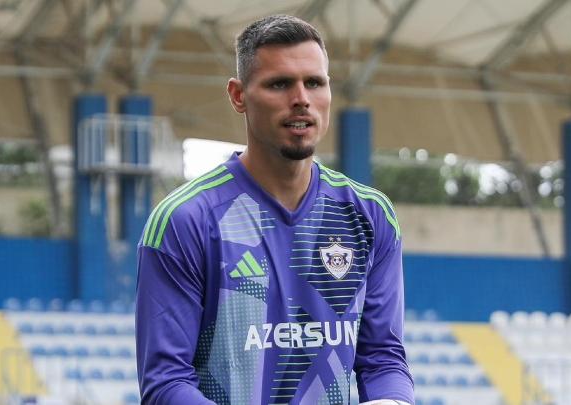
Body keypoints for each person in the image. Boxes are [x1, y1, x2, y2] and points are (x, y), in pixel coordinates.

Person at [136, 14, 414, 405]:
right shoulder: (186, 221)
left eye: (314, 82)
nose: (301, 99)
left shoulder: (369, 215)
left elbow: (383, 358)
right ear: (238, 96)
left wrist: (390, 402)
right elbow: (166, 383)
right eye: (280, 84)